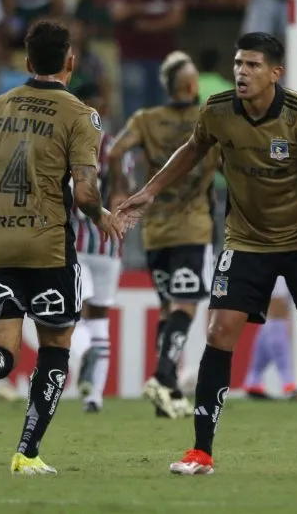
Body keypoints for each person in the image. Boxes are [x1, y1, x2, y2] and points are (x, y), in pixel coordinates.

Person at [117, 32, 297, 476]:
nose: (241, 72)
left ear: (274, 73)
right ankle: (201, 452)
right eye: (238, 64)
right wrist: (149, 192)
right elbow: (192, 151)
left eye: (251, 65)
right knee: (219, 330)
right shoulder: (218, 111)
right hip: (246, 239)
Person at [0, 20, 121, 475]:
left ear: (26, 62)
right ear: (70, 62)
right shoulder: (80, 115)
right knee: (55, 347)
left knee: (0, 352)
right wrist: (102, 217)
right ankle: (27, 452)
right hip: (47, 248)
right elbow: (83, 193)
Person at [108, 50, 219, 419]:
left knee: (169, 307)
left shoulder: (145, 119)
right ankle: (163, 376)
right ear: (192, 85)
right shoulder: (210, 118)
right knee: (185, 307)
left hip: (155, 231)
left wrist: (122, 187)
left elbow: (114, 152)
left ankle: (167, 396)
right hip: (193, 227)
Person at [71, 82, 132, 413]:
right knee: (100, 319)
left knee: (71, 315)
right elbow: (123, 193)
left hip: (76, 244)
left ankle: (83, 354)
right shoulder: (116, 149)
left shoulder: (69, 146)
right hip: (109, 247)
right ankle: (94, 396)